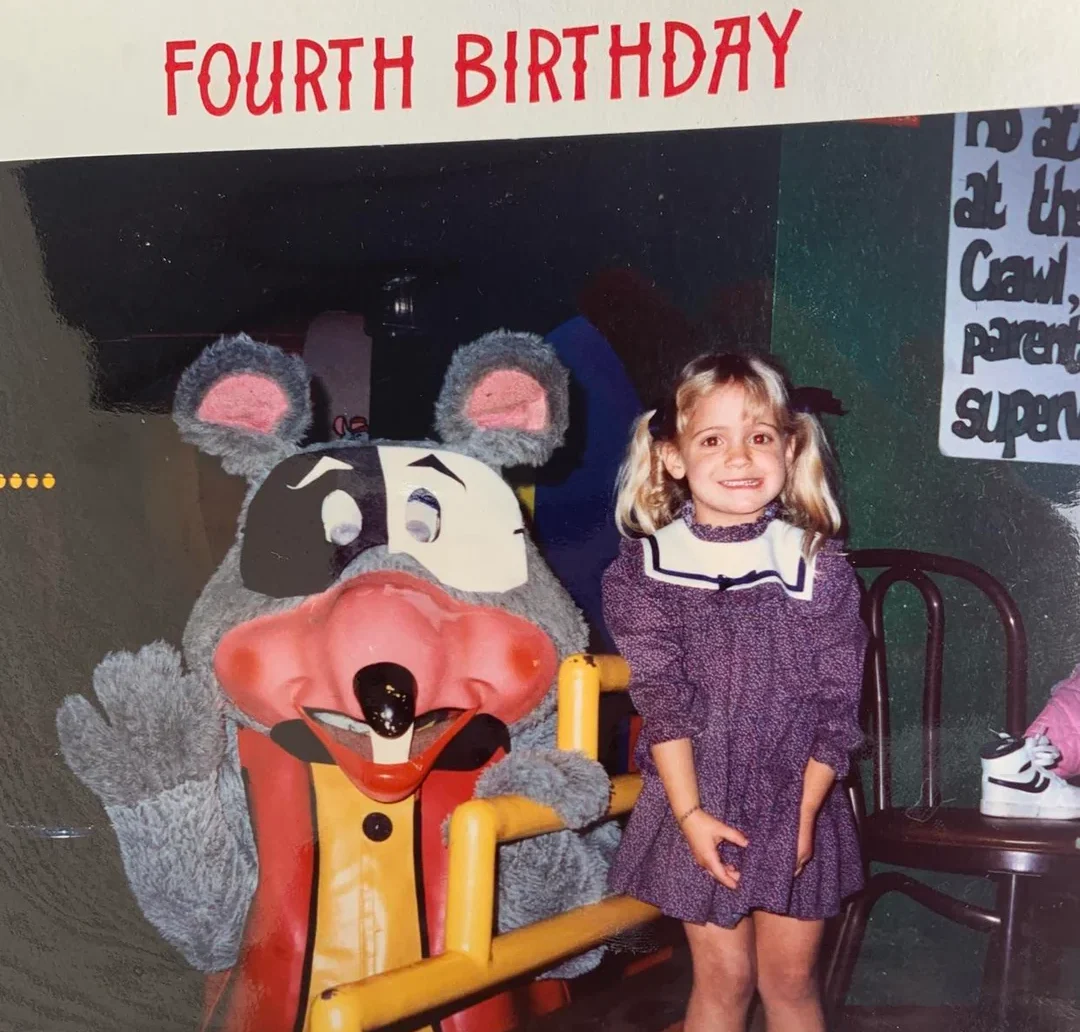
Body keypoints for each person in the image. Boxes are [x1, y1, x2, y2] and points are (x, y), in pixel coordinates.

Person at [602, 352, 868, 1032]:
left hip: (798, 794)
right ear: (672, 457)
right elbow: (663, 701)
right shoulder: (647, 571)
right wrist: (689, 816)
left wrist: (804, 816)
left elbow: (836, 708)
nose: (741, 457)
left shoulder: (817, 568)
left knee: (788, 982)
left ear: (790, 445)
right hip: (700, 794)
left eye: (760, 436)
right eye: (712, 439)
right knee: (723, 979)